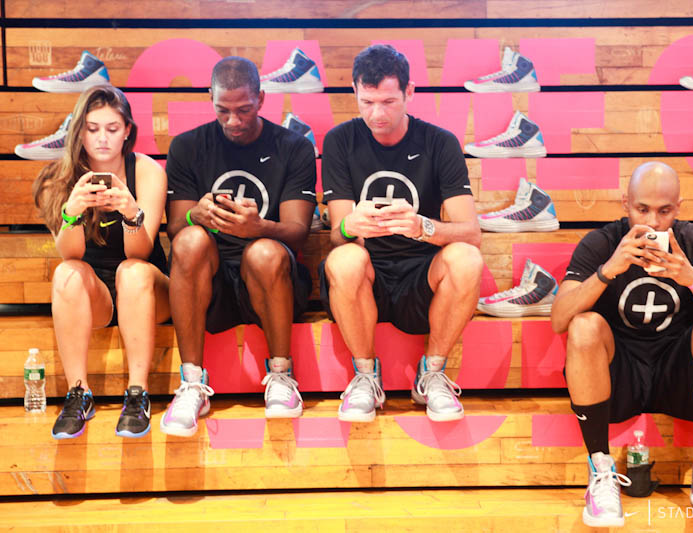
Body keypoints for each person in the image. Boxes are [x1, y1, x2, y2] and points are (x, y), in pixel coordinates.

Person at [551, 162, 693, 531]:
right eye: (642, 209)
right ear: (625, 203)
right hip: (619, 374)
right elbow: (559, 318)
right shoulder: (602, 242)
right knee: (584, 325)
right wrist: (608, 270)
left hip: (677, 370)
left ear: (679, 207)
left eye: (664, 211)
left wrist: (692, 279)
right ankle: (601, 471)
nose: (653, 222)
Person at [320, 44, 483, 423]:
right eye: (367, 102)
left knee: (467, 258)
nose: (377, 114)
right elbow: (337, 236)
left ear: (410, 92)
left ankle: (432, 375)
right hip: (368, 275)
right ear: (354, 91)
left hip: (420, 276)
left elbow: (471, 233)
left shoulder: (439, 141)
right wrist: (349, 225)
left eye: (389, 102)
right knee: (345, 258)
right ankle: (365, 376)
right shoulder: (340, 140)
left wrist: (422, 227)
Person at [162, 56, 316, 436]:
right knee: (189, 240)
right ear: (210, 98)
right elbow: (175, 228)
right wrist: (197, 214)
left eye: (244, 110)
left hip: (271, 280)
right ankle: (192, 383)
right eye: (223, 110)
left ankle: (281, 375)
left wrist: (258, 227)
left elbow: (299, 232)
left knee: (263, 251)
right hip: (210, 284)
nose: (233, 121)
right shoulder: (187, 146)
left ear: (261, 99)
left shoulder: (294, 147)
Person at [32, 84, 170, 439]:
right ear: (79, 131)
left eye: (112, 128)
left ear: (127, 131)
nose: (103, 138)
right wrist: (73, 212)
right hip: (98, 295)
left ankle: (137, 395)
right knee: (67, 273)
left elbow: (140, 252)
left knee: (132, 271)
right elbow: (71, 255)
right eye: (93, 129)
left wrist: (131, 212)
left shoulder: (146, 171)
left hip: (148, 286)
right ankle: (79, 395)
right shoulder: (58, 179)